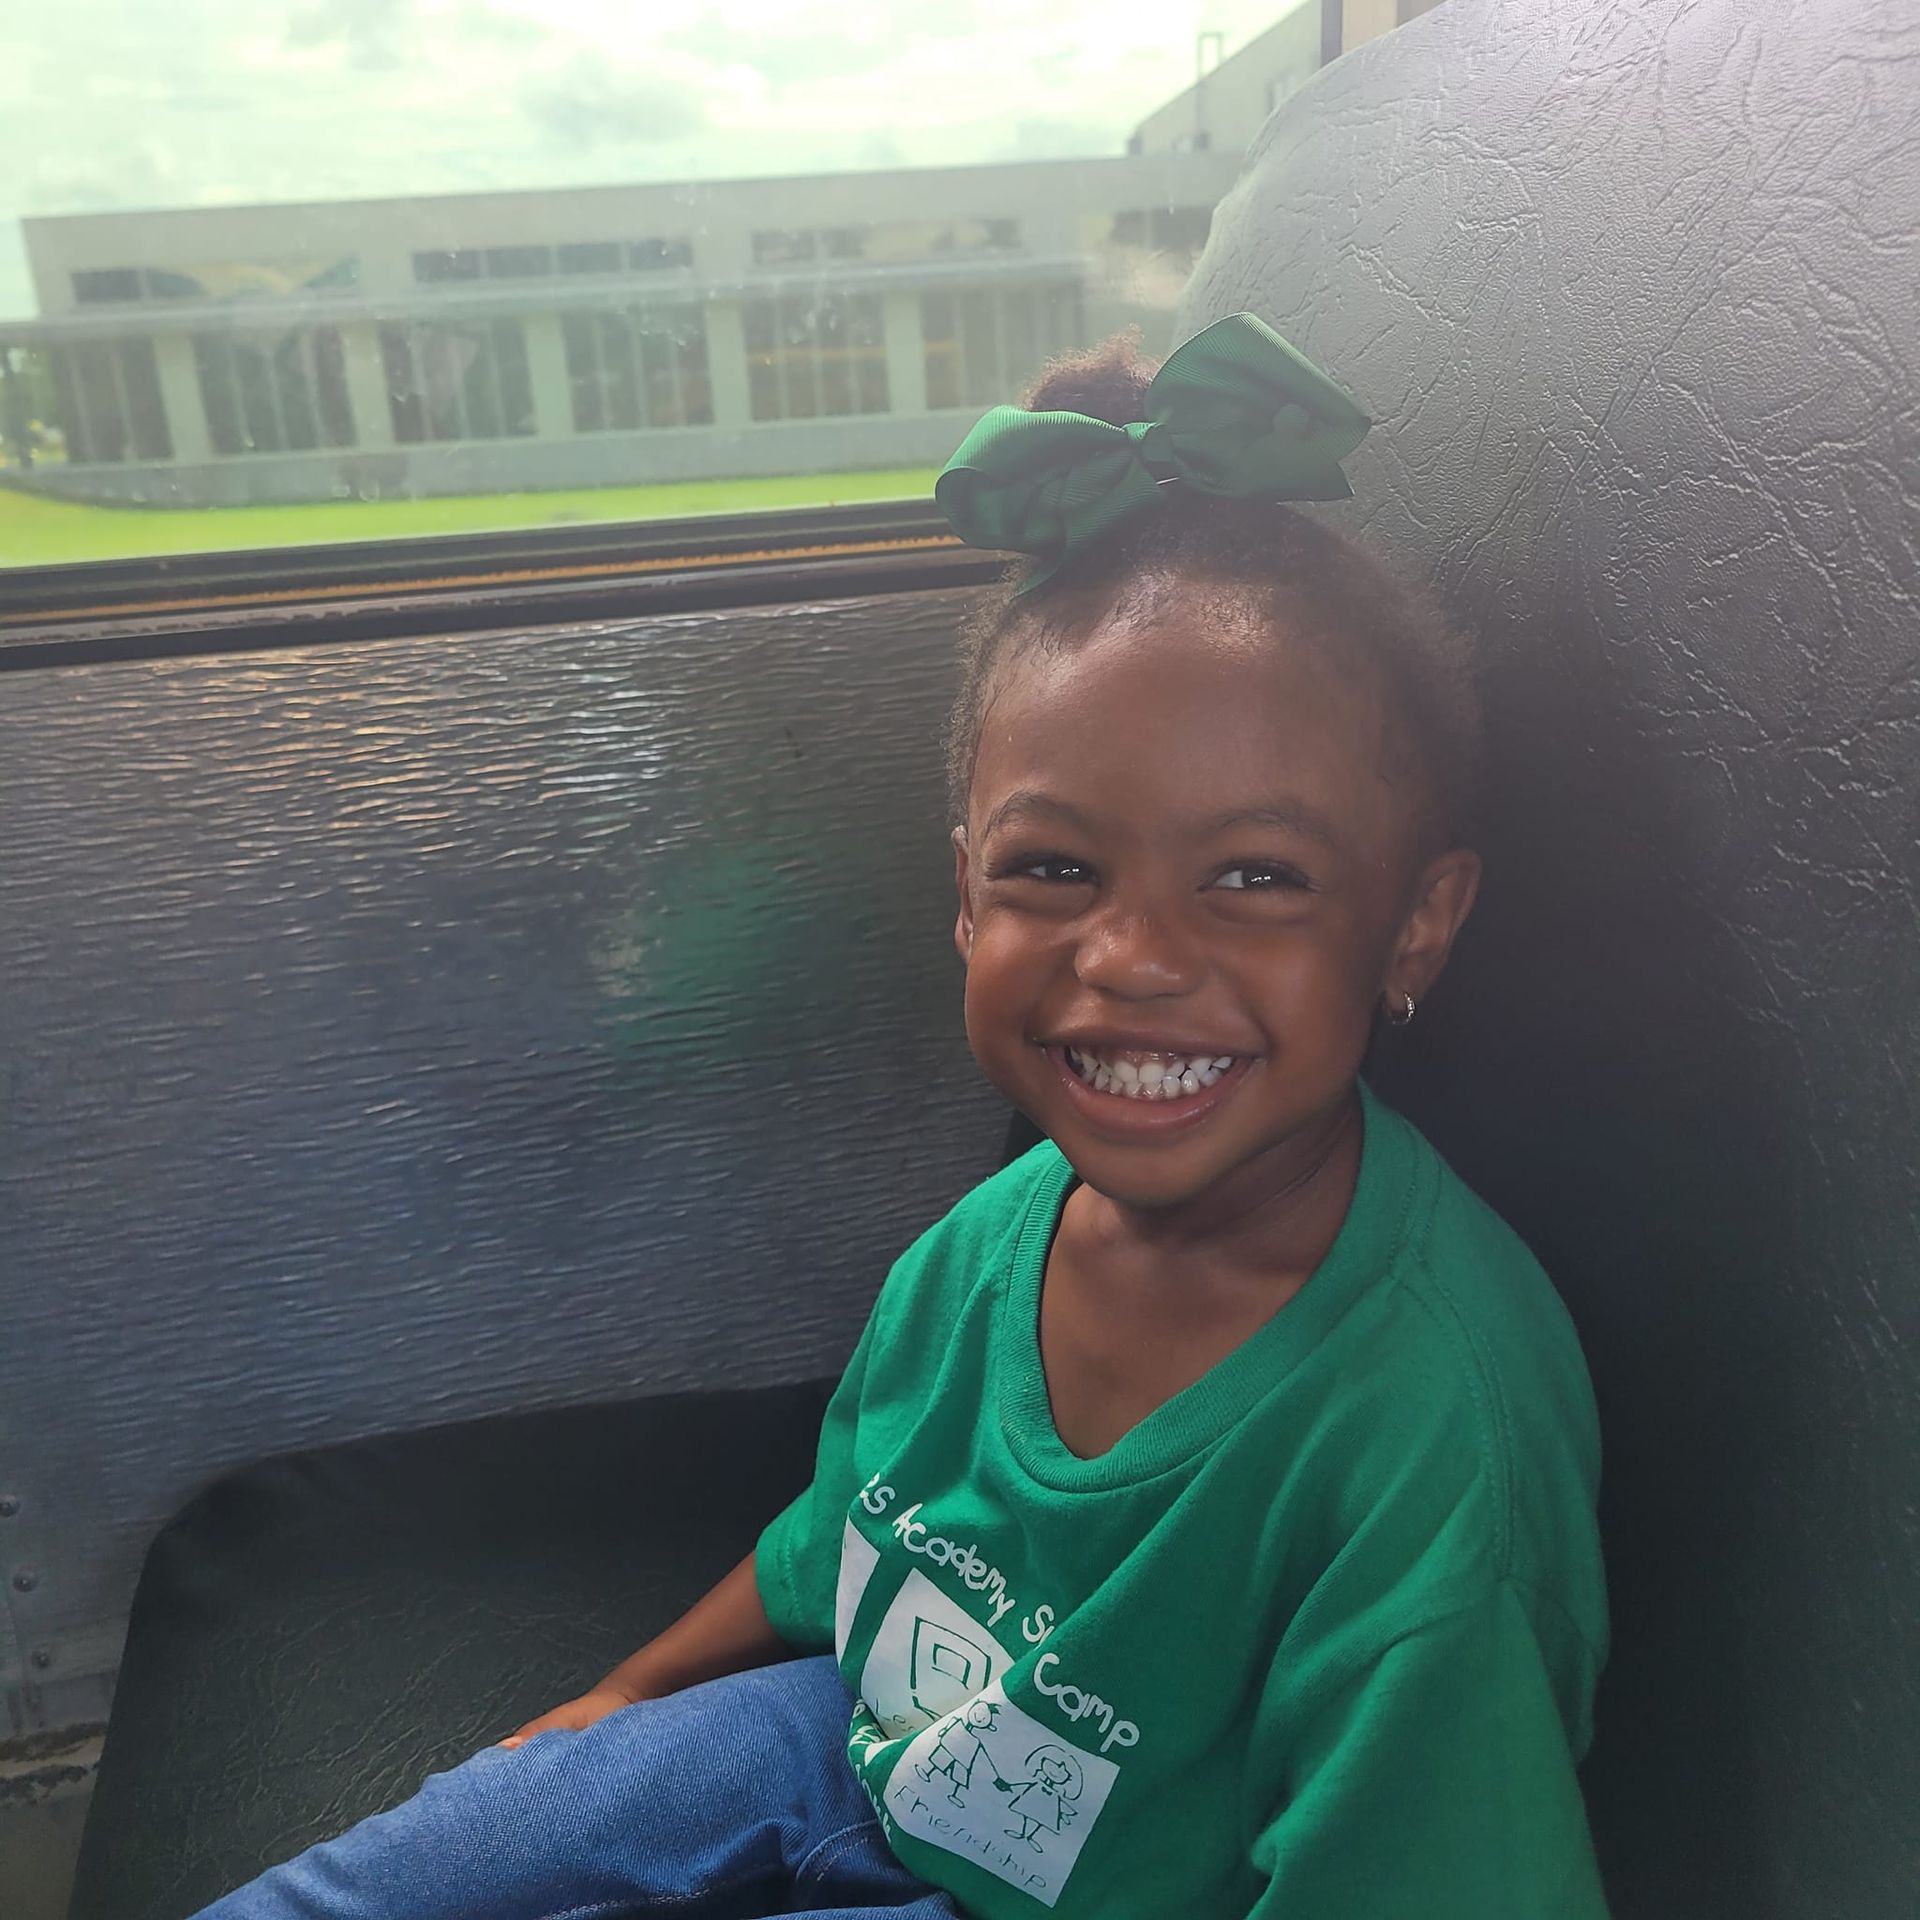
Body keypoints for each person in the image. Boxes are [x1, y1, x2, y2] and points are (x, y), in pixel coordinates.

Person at [192, 314, 1610, 1919]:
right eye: (1054, 869)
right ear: (962, 897)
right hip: (839, 1745)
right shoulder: (987, 1250)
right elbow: (841, 1546)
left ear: (1415, 927)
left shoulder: (1430, 1442)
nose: (1132, 955)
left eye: (1255, 877)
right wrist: (613, 1709)